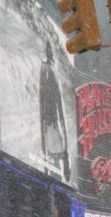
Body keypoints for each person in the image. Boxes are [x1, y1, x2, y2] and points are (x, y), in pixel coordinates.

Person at [39, 40, 70, 181]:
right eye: (48, 49)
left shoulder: (54, 67)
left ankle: (60, 172)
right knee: (53, 146)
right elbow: (42, 92)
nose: (50, 52)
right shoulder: (45, 67)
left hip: (55, 114)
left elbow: (58, 94)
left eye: (51, 49)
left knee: (59, 144)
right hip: (50, 115)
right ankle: (52, 171)